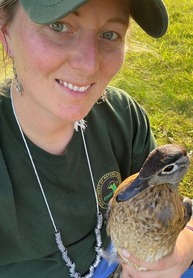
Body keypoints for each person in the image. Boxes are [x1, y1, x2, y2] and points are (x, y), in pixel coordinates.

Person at [0, 0, 192, 277]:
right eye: (59, 26)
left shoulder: (122, 116)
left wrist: (184, 249)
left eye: (110, 34)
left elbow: (173, 208)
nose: (89, 65)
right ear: (6, 34)